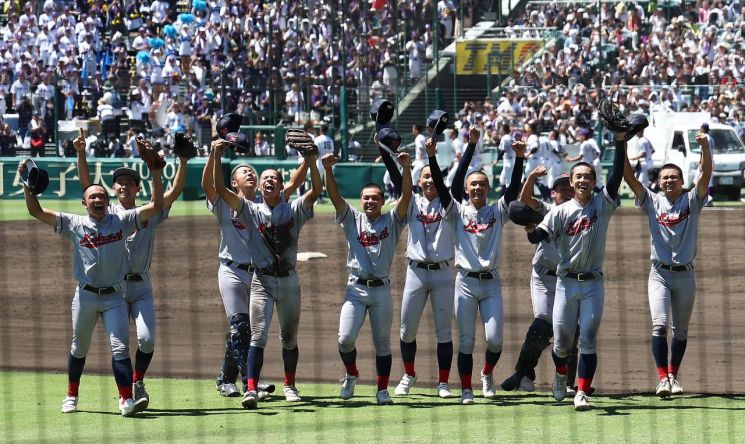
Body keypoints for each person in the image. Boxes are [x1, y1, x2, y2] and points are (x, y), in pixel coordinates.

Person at [20, 145, 163, 417]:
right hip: (85, 296)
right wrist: (28, 186)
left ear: (107, 201)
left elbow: (156, 206)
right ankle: (72, 395)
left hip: (115, 298)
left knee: (120, 347)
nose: (97, 199)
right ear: (84, 203)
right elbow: (36, 212)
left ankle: (124, 400)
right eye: (92, 196)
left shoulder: (121, 221)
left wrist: (155, 172)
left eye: (101, 196)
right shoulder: (73, 223)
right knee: (79, 347)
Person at [73, 135, 188, 412]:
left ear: (138, 187)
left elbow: (174, 191)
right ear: (113, 188)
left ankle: (137, 381)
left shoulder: (149, 211)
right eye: (119, 182)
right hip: (115, 287)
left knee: (147, 340)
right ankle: (124, 395)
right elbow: (87, 185)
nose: (124, 185)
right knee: (119, 346)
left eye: (129, 182)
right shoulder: (107, 213)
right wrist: (81, 153)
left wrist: (182, 162)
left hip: (141, 285)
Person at [212, 142, 322, 410]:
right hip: (261, 281)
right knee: (256, 336)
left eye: (274, 178)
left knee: (289, 337)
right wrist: (215, 155)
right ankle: (250, 388)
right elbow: (220, 189)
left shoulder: (292, 209)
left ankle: (289, 385)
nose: (269, 180)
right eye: (265, 179)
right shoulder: (249, 210)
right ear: (260, 189)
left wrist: (311, 161)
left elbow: (316, 190)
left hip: (288, 281)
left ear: (281, 187)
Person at [526, 123, 627, 411]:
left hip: (593, 283)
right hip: (566, 282)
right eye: (578, 176)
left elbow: (617, 175)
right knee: (562, 343)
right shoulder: (559, 212)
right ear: (571, 182)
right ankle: (560, 375)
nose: (583, 180)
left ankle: (581, 392)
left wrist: (619, 142)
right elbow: (538, 236)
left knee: (590, 337)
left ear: (594, 181)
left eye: (588, 177)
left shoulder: (602, 205)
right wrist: (529, 229)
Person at [431, 128, 526, 404]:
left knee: (495, 340)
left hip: (492, 282)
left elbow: (513, 189)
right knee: (466, 341)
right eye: (473, 184)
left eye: (482, 184)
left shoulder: (498, 210)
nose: (477, 188)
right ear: (466, 189)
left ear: (487, 188)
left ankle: (486, 374)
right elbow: (443, 183)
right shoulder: (456, 211)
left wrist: (519, 158)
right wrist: (466, 148)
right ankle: (466, 389)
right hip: (465, 283)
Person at [623, 131, 712, 398]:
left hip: (685, 275)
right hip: (659, 274)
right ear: (659, 183)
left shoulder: (692, 200)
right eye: (665, 178)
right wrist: (621, 144)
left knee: (681, 331)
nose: (670, 180)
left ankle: (673, 374)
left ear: (682, 181)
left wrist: (705, 147)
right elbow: (629, 177)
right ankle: (663, 378)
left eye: (674, 177)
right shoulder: (652, 201)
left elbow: (705, 175)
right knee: (659, 325)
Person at [326, 150, 413, 405]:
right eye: (366, 198)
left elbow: (407, 195)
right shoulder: (352, 219)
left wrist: (406, 169)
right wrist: (328, 169)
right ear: (360, 200)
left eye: (375, 198)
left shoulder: (393, 220)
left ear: (383, 200)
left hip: (381, 290)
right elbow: (333, 195)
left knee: (382, 343)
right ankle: (351, 374)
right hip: (355, 289)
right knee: (345, 338)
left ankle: (382, 389)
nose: (370, 202)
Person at [377, 135, 457, 398]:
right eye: (424, 177)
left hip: (443, 272)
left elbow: (439, 178)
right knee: (406, 328)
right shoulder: (410, 202)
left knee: (443, 330)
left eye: (433, 177)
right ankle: (409, 374)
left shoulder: (448, 202)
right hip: (416, 272)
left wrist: (430, 158)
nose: (429, 181)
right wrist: (386, 151)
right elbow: (400, 180)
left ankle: (443, 382)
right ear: (418, 181)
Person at [500, 168, 582, 394]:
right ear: (553, 193)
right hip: (544, 278)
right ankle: (522, 373)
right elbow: (524, 200)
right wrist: (533, 177)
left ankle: (565, 383)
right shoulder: (546, 210)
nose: (565, 190)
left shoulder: (583, 214)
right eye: (560, 187)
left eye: (569, 187)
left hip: (570, 279)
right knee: (542, 324)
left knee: (571, 332)